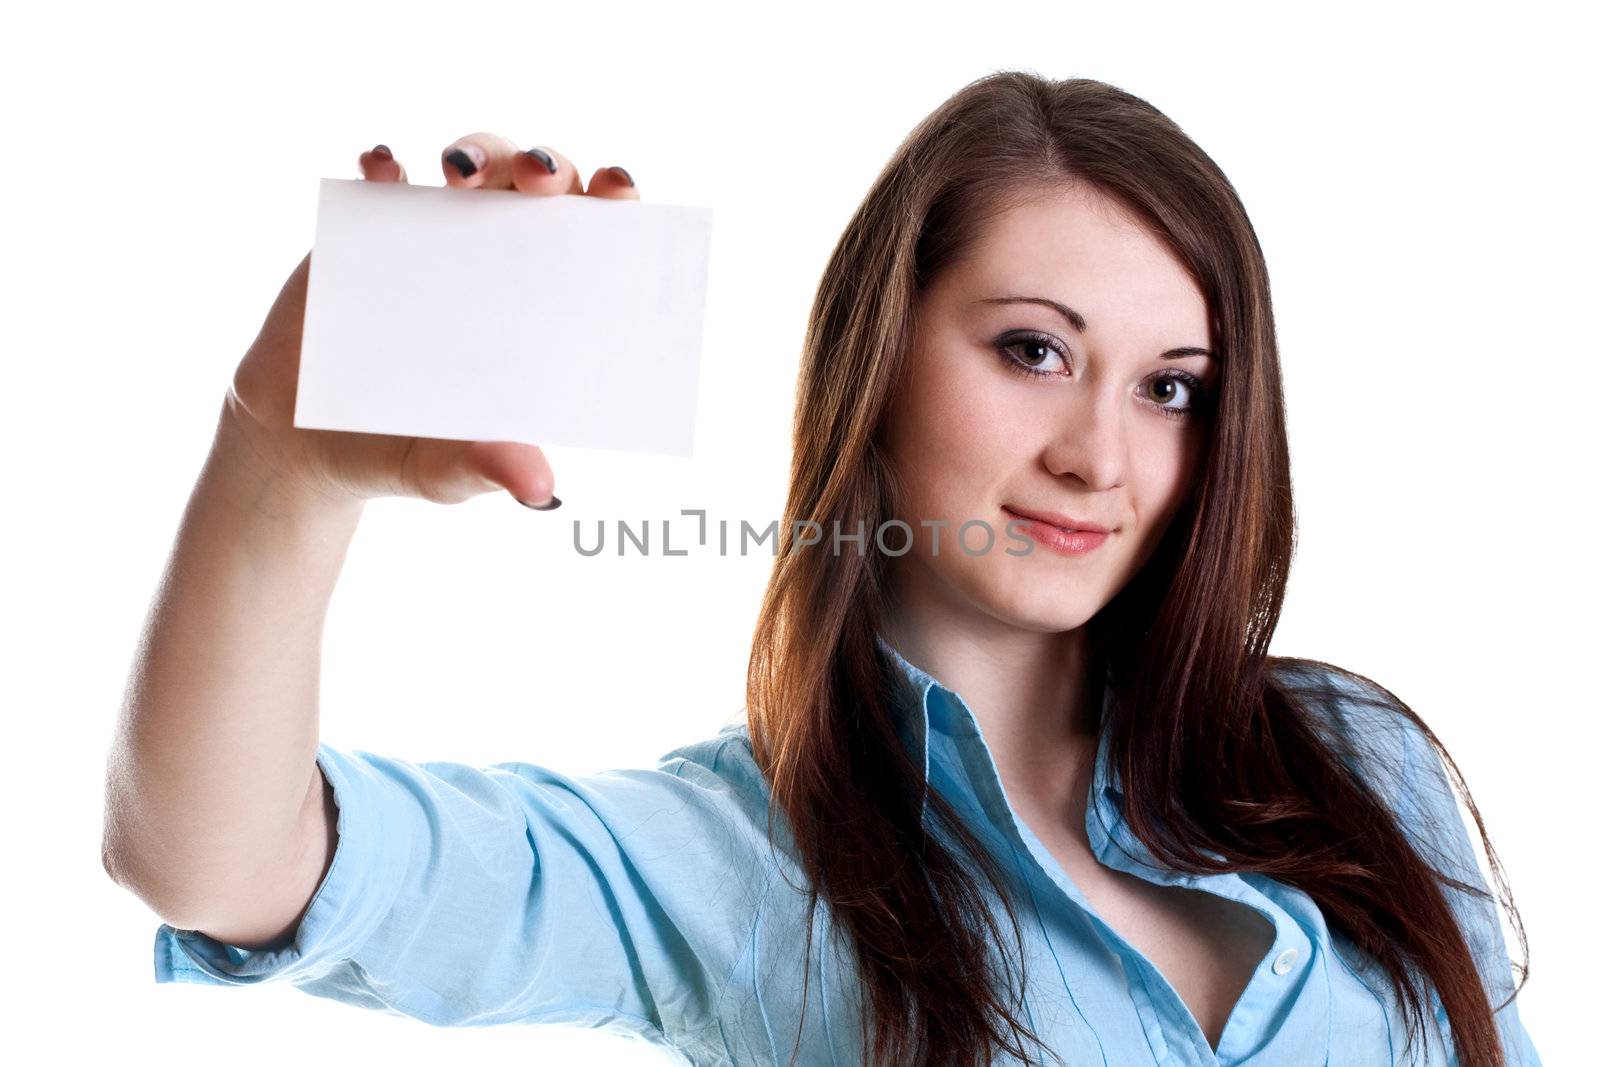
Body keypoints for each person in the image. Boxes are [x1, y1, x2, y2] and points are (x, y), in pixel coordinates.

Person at [101, 72, 1540, 1067]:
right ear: (881, 355)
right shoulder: (737, 867)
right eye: (1034, 351)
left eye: (1172, 387)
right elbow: (217, 864)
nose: (1102, 457)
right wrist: (279, 469)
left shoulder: (1358, 763)